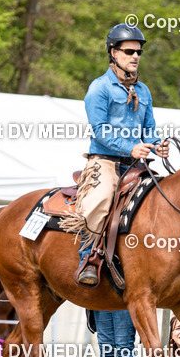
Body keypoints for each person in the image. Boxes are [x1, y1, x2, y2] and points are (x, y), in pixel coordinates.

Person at [71, 22, 168, 287]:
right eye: (129, 51)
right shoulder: (99, 88)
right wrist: (131, 148)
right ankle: (88, 258)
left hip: (136, 164)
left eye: (138, 52)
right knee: (100, 200)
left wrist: (157, 145)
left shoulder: (144, 90)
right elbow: (100, 131)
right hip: (104, 162)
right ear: (113, 53)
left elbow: (149, 129)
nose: (135, 56)